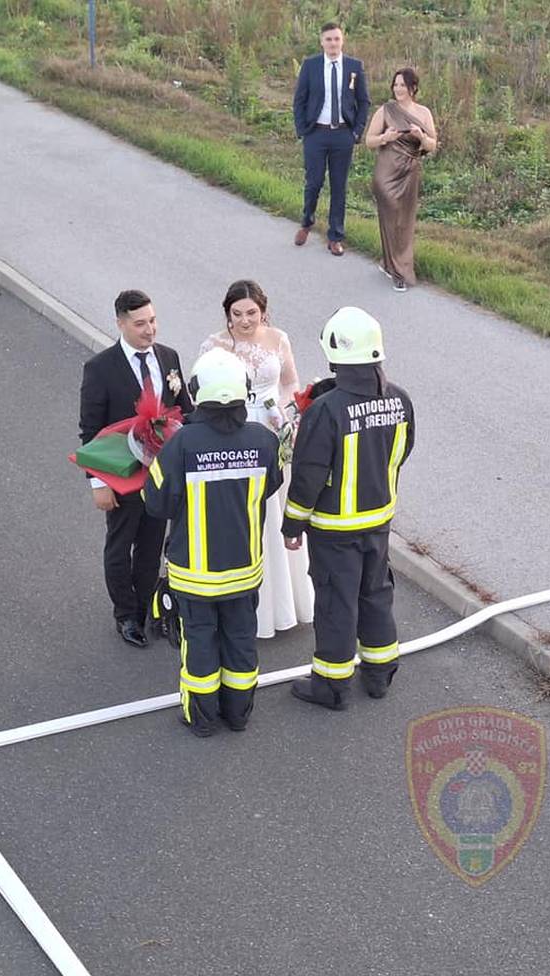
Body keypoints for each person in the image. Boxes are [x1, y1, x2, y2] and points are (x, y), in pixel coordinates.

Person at [282, 306, 415, 711]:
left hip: (334, 529)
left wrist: (292, 525)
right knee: (375, 595)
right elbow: (402, 452)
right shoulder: (400, 400)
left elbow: (308, 475)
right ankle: (379, 675)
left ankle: (332, 686)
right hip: (379, 521)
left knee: (336, 603)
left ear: (335, 353)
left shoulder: (326, 410)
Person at [144, 349, 283, 737]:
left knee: (200, 644)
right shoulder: (263, 440)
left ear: (197, 390)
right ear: (244, 390)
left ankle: (202, 719)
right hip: (244, 570)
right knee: (241, 640)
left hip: (195, 575)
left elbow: (156, 503)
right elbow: (272, 484)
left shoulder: (181, 444)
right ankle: (238, 714)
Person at [199, 279, 313, 638]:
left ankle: (283, 601)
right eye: (237, 314)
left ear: (263, 311)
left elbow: (289, 383)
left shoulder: (278, 339)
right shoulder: (213, 346)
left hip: (271, 427)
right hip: (231, 431)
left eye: (252, 313)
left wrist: (286, 413)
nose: (245, 321)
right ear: (227, 313)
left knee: (275, 510)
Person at [78, 290, 192, 648]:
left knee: (151, 544)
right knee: (121, 544)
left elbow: (185, 410)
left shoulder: (169, 357)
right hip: (123, 476)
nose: (150, 330)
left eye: (153, 321)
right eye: (140, 323)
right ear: (120, 324)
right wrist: (97, 482)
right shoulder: (100, 368)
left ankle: (144, 606)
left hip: (161, 475)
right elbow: (90, 429)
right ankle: (125, 614)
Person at [292, 21, 370, 257]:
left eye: (336, 39)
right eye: (328, 39)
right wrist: (302, 130)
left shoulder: (354, 66)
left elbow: (363, 101)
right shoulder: (311, 65)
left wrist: (356, 131)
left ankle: (335, 236)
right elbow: (299, 100)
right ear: (322, 42)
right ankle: (307, 221)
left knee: (339, 186)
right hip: (316, 133)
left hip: (343, 135)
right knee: (314, 182)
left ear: (342, 40)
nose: (333, 43)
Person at [365, 67, 437, 291]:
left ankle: (389, 263)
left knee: (404, 221)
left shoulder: (424, 113)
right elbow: (369, 140)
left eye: (402, 85)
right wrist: (385, 137)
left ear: (413, 88)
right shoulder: (386, 110)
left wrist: (421, 136)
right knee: (391, 218)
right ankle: (399, 272)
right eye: (395, 85)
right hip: (386, 173)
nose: (398, 89)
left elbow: (432, 145)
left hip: (409, 172)